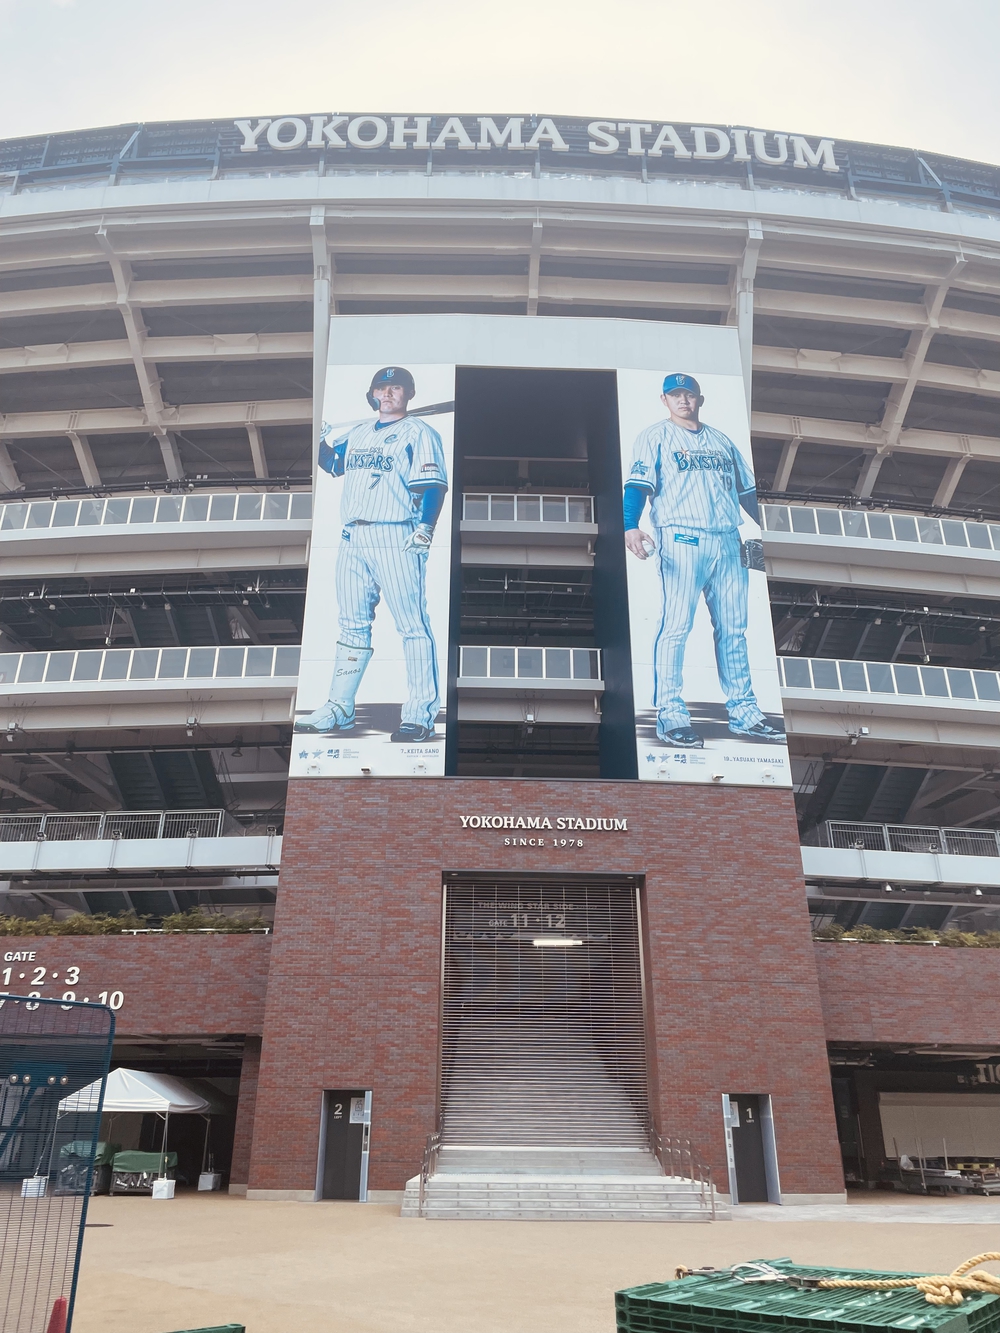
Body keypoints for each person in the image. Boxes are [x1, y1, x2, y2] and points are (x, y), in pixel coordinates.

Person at [623, 372, 783, 749]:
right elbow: (637, 485)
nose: (683, 401)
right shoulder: (654, 436)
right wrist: (630, 525)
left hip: (728, 539)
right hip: (682, 537)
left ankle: (745, 714)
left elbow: (747, 492)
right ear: (665, 400)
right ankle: (672, 715)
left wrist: (771, 533)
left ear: (700, 399)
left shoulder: (721, 440)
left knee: (734, 630)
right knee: (676, 627)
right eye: (675, 395)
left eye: (689, 395)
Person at [295, 366, 447, 742]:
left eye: (396, 387)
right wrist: (318, 441)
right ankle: (340, 706)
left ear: (407, 394)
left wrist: (426, 528)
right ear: (373, 394)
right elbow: (333, 465)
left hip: (396, 534)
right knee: (351, 626)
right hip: (353, 537)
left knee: (412, 627)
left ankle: (419, 714)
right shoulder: (360, 431)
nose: (389, 393)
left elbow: (433, 486)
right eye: (383, 387)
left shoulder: (420, 432)